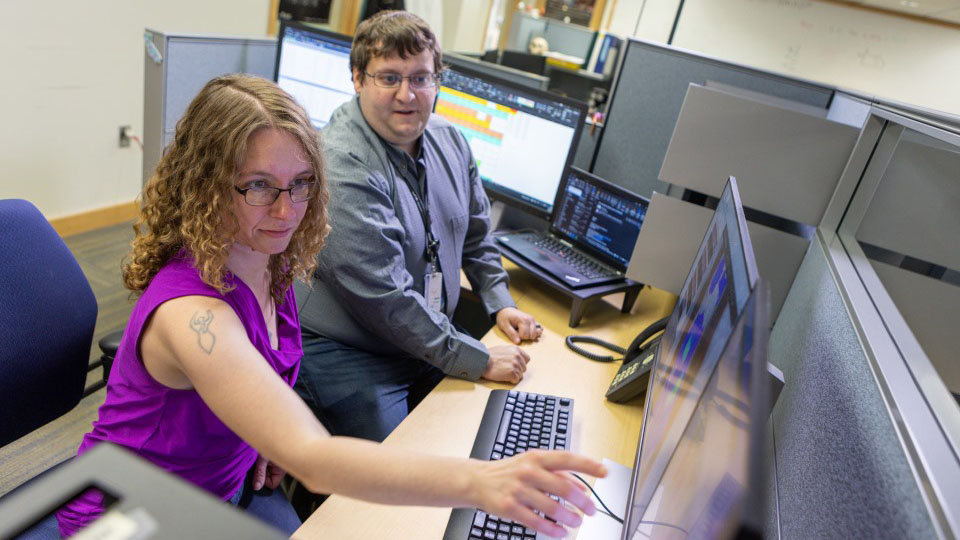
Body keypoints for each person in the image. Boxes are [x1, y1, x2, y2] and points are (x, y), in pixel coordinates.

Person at [52, 74, 604, 539]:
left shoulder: (266, 257)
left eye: (303, 184)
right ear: (208, 185)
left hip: (224, 492)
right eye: (260, 186)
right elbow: (312, 460)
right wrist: (482, 481)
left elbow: (264, 381)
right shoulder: (194, 315)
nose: (288, 209)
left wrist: (254, 434)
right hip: (129, 518)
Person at [294, 10, 544, 443]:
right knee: (399, 467)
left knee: (478, 431)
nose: (407, 95)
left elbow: (477, 236)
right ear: (357, 79)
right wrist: (477, 357)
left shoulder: (450, 141)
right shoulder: (340, 161)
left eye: (421, 78)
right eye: (389, 78)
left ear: (438, 80)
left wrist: (500, 301)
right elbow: (384, 297)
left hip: (422, 335)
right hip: (348, 350)